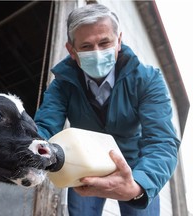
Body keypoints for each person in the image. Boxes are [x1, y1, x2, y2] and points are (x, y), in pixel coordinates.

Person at [34, 3, 180, 216]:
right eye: (86, 47)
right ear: (71, 50)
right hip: (84, 165)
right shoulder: (62, 84)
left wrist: (138, 186)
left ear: (118, 41)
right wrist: (28, 152)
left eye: (105, 42)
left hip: (135, 167)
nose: (97, 52)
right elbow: (45, 127)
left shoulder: (148, 80)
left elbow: (162, 141)